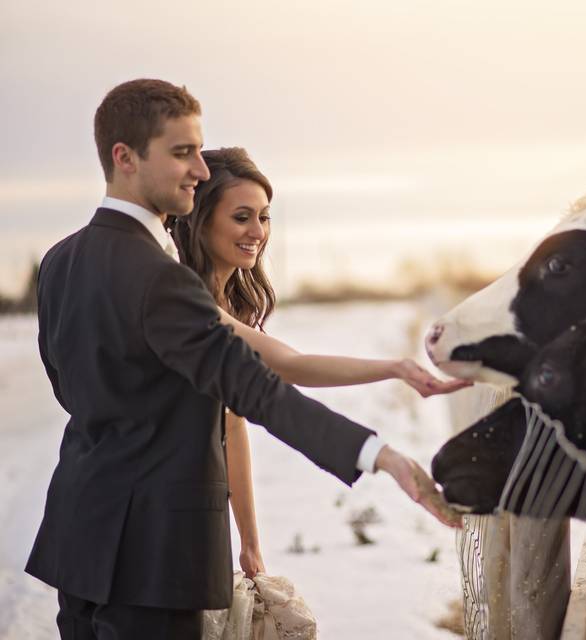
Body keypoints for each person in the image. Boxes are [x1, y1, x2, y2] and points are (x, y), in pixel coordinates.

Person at [26, 78, 461, 640]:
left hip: (80, 536)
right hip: (155, 558)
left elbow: (68, 386)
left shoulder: (60, 261)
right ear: (125, 158)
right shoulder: (162, 280)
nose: (200, 170)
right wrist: (379, 454)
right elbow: (257, 391)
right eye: (182, 153)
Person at [167, 146, 470, 578]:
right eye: (241, 217)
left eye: (264, 216)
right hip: (159, 517)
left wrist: (251, 544)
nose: (257, 231)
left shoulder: (221, 304)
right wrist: (395, 368)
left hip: (191, 518)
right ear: (200, 221)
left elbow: (230, 425)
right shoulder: (186, 302)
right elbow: (290, 365)